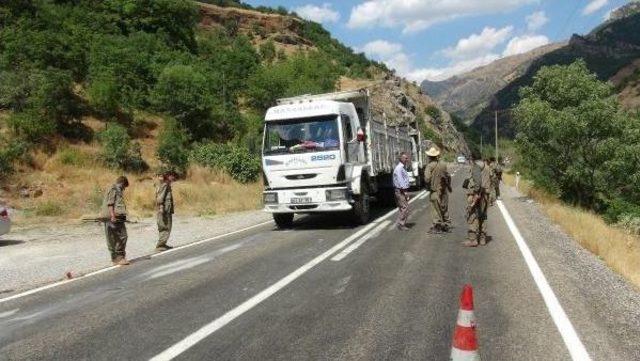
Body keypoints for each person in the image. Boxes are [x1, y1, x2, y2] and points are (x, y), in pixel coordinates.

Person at [463, 153, 492, 247]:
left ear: (473, 158)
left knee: (472, 215)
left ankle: (473, 239)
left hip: (476, 195)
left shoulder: (476, 166)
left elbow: (478, 182)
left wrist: (476, 193)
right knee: (483, 216)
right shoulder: (486, 166)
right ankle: (483, 239)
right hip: (485, 195)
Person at [101, 176, 130, 265]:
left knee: (112, 238)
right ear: (122, 183)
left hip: (111, 217)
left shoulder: (113, 189)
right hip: (113, 217)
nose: (124, 189)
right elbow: (110, 203)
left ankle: (115, 258)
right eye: (124, 186)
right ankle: (119, 257)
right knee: (122, 236)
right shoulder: (114, 189)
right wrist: (113, 216)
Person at [424, 146, 452, 233]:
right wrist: (448, 186)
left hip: (435, 190)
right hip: (444, 190)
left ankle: (437, 226)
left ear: (429, 156)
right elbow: (448, 176)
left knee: (435, 208)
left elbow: (427, 179)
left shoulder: (429, 166)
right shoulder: (443, 164)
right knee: (444, 207)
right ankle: (446, 225)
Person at [156, 170, 176, 251]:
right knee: (165, 227)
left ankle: (163, 244)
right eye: (172, 176)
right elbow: (160, 197)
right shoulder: (165, 185)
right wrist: (161, 208)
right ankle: (160, 245)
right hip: (164, 211)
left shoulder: (167, 185)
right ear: (168, 176)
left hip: (167, 210)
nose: (173, 177)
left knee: (167, 227)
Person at [393, 152, 411, 231]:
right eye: (405, 158)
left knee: (402, 207)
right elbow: (400, 181)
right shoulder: (399, 168)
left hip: (400, 190)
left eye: (407, 158)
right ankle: (401, 224)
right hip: (400, 191)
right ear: (401, 159)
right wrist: (405, 192)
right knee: (404, 207)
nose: (407, 159)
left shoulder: (402, 167)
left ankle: (400, 223)